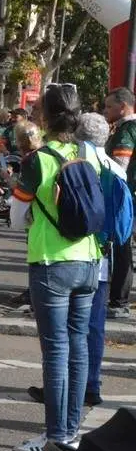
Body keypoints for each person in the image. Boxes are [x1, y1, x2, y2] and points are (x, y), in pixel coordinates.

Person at [10, 84, 102, 451]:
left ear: (44, 118)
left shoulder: (39, 160)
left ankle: (54, 437)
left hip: (51, 262)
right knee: (78, 346)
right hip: (89, 260)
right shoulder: (89, 154)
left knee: (56, 350)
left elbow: (16, 220)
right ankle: (72, 430)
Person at [27, 112, 122, 408]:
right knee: (86, 333)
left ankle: (59, 417)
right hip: (98, 254)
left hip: (57, 256)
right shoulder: (112, 167)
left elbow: (23, 215)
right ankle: (86, 391)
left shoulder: (68, 161)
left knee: (58, 344)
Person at [103, 86, 136, 319]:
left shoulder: (126, 130)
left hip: (126, 196)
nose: (106, 111)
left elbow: (119, 167)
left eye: (109, 106)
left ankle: (119, 301)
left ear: (123, 107)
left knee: (122, 247)